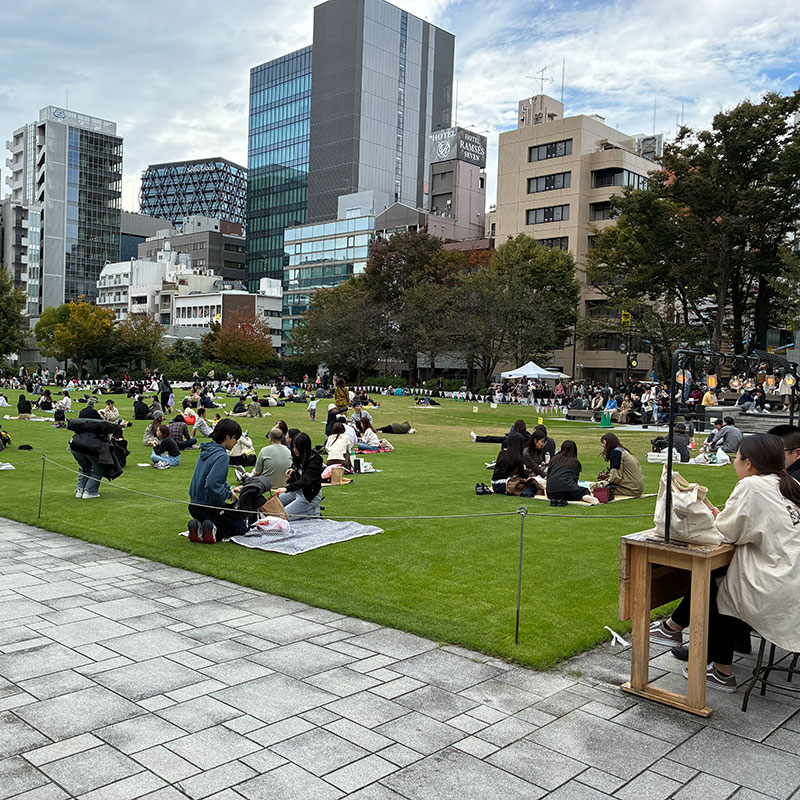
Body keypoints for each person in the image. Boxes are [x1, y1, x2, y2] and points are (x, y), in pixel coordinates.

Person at [649, 433, 800, 692]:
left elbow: (727, 533)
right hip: (790, 576)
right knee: (719, 579)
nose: (734, 462)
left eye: (736, 457)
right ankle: (676, 630)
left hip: (780, 584)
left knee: (718, 587)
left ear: (748, 462)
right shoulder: (790, 483)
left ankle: (720, 668)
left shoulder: (752, 486)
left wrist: (717, 518)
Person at [187, 418, 247, 543]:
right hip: (210, 506)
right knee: (240, 525)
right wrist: (226, 494)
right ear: (228, 437)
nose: (236, 442)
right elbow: (211, 484)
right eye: (235, 438)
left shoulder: (207, 450)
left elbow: (210, 479)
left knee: (227, 515)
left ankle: (199, 526)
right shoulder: (222, 456)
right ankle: (213, 530)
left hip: (194, 505)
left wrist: (230, 490)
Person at [67, 418, 127, 499]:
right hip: (91, 448)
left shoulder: (85, 429)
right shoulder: (103, 432)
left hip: (75, 446)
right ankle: (89, 492)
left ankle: (80, 490)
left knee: (84, 468)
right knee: (98, 470)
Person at [274, 432, 323, 519]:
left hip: (309, 496)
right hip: (297, 491)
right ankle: (306, 511)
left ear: (304, 448)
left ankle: (312, 512)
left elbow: (305, 480)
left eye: (297, 447)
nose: (294, 450)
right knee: (274, 504)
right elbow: (298, 466)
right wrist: (292, 468)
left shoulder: (314, 462)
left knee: (282, 517)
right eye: (293, 447)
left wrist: (286, 488)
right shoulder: (300, 456)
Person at [546, 441, 599, 505]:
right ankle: (587, 498)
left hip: (551, 492)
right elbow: (574, 478)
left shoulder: (554, 459)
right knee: (584, 491)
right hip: (567, 489)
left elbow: (549, 475)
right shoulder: (574, 462)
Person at [596, 433, 644, 497]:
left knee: (595, 487)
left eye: (604, 443)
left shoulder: (616, 453)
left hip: (631, 489)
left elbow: (615, 477)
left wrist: (604, 482)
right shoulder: (623, 451)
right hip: (636, 487)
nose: (602, 445)